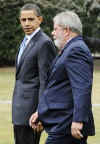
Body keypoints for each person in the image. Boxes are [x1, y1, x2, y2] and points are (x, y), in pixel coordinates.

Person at [29, 10, 95, 144]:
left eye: (55, 29)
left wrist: (78, 120)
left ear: (67, 30)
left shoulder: (76, 50)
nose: (52, 33)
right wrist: (41, 113)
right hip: (62, 123)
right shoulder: (70, 49)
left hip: (67, 125)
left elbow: (81, 88)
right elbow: (59, 88)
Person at [12, 3, 56, 144]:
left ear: (40, 20)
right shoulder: (25, 41)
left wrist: (40, 112)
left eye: (31, 19)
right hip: (19, 110)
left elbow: (46, 81)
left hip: (31, 114)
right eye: (23, 20)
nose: (26, 23)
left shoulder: (44, 43)